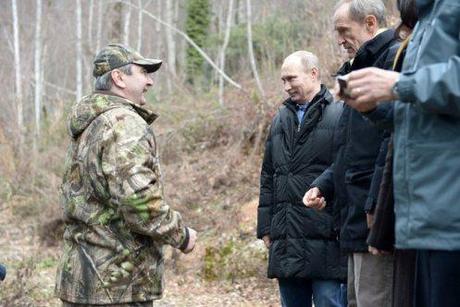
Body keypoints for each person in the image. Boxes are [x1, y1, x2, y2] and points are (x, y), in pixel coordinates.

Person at [55, 44, 197, 306]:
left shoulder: (91, 124)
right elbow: (139, 202)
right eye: (143, 73)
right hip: (117, 286)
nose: (150, 81)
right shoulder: (123, 123)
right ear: (118, 78)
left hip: (81, 280)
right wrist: (182, 235)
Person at [340, 0, 460, 306]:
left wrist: (402, 84)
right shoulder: (425, 20)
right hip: (427, 215)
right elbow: (421, 112)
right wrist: (373, 108)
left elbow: (414, 88)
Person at [303, 0, 399, 306]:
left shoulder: (393, 60)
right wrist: (325, 185)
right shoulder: (359, 68)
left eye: (345, 30)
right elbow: (352, 148)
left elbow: (391, 140)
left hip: (374, 219)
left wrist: (375, 206)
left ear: (370, 23)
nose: (339, 39)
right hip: (355, 219)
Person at [257, 51, 346, 307]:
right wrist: (265, 227)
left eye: (291, 78)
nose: (286, 86)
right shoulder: (280, 119)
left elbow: (343, 170)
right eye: (283, 80)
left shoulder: (339, 113)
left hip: (327, 237)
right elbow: (268, 176)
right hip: (286, 239)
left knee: (330, 302)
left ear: (313, 74)